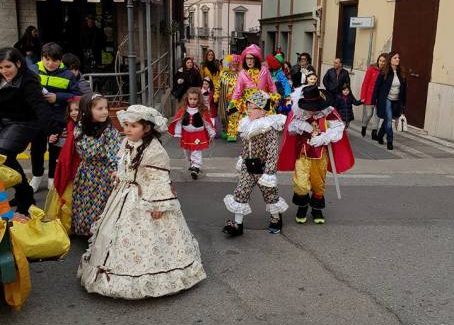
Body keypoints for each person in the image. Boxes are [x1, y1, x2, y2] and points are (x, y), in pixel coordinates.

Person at [78, 105, 206, 299]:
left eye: (133, 126)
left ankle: (153, 276)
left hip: (146, 198)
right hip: (124, 194)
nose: (127, 129)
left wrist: (158, 206)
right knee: (114, 234)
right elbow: (124, 164)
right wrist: (120, 174)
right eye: (126, 125)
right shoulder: (126, 142)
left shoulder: (155, 150)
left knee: (150, 240)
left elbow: (159, 180)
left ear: (146, 128)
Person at [277, 85, 354, 224]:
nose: (311, 110)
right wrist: (302, 126)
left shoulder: (328, 113)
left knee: (318, 184)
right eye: (309, 106)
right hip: (303, 152)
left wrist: (324, 137)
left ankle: (316, 209)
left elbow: (338, 129)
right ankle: (302, 207)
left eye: (314, 106)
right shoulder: (299, 113)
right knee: (301, 183)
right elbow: (291, 128)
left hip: (320, 154)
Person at [223, 90, 288, 236]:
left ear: (263, 111)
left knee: (270, 193)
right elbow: (246, 147)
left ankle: (276, 217)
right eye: (248, 107)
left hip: (263, 168)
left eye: (252, 107)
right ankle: (237, 225)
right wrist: (242, 158)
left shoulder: (268, 128)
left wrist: (269, 172)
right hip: (248, 165)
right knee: (241, 191)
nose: (249, 110)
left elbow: (272, 152)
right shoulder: (246, 124)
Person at [0, 47, 51, 215]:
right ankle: (24, 194)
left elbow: (40, 106)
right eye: (0, 67)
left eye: (8, 66)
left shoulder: (29, 80)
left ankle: (25, 196)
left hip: (25, 122)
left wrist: (51, 129)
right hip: (4, 121)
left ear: (18, 63)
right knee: (7, 160)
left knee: (3, 154)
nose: (4, 71)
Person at [29, 42, 79, 192]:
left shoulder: (69, 75)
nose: (51, 63)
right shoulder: (32, 71)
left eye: (55, 60)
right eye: (47, 59)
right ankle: (36, 177)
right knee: (36, 150)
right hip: (36, 118)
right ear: (42, 58)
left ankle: (52, 178)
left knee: (55, 150)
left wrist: (57, 97)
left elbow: (76, 96)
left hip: (58, 119)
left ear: (60, 60)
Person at [72, 93, 121, 236]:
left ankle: (102, 234)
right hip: (87, 172)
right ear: (88, 110)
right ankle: (86, 232)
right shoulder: (80, 127)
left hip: (106, 173)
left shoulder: (110, 129)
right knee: (86, 203)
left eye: (106, 108)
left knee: (103, 204)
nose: (105, 111)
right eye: (100, 108)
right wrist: (101, 143)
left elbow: (113, 152)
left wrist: (115, 171)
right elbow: (87, 152)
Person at [228, 44, 280, 142]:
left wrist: (275, 97)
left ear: (256, 59)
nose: (249, 61)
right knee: (250, 130)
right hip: (249, 104)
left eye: (252, 58)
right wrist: (233, 101)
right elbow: (238, 90)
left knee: (265, 129)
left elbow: (272, 85)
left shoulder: (264, 70)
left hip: (263, 102)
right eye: (247, 59)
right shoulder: (242, 73)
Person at [44, 96, 81, 233]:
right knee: (67, 196)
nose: (74, 113)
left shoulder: (87, 126)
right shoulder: (68, 125)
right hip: (68, 166)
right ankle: (67, 225)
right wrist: (53, 140)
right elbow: (62, 143)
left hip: (80, 166)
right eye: (71, 110)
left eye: (77, 109)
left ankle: (78, 224)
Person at [168, 87, 215, 180]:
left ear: (199, 99)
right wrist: (177, 133)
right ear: (187, 99)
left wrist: (211, 132)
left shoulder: (202, 110)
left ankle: (196, 166)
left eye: (195, 99)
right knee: (187, 150)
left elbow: (207, 122)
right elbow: (178, 121)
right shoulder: (183, 109)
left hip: (198, 134)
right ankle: (192, 162)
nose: (193, 101)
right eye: (191, 99)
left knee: (196, 150)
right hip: (186, 134)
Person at [372, 51, 406, 150]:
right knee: (389, 119)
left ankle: (380, 135)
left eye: (398, 58)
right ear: (390, 60)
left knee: (387, 119)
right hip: (386, 99)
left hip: (396, 101)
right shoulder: (384, 72)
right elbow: (377, 87)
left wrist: (403, 104)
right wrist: (374, 101)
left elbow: (404, 90)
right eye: (395, 58)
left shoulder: (401, 73)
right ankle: (390, 141)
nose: (398, 59)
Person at [360, 53, 388, 139]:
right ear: (378, 60)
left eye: (384, 61)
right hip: (369, 95)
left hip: (379, 97)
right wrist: (362, 96)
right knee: (369, 114)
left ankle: (374, 133)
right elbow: (365, 83)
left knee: (377, 116)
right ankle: (364, 126)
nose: (382, 63)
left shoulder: (386, 72)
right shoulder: (372, 69)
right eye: (380, 60)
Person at [214, 54, 241, 139]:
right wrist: (216, 95)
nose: (234, 65)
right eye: (232, 63)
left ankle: (232, 133)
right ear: (229, 64)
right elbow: (218, 85)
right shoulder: (223, 73)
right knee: (223, 116)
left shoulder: (240, 75)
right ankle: (225, 130)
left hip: (234, 100)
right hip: (223, 99)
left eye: (236, 63)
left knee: (233, 115)